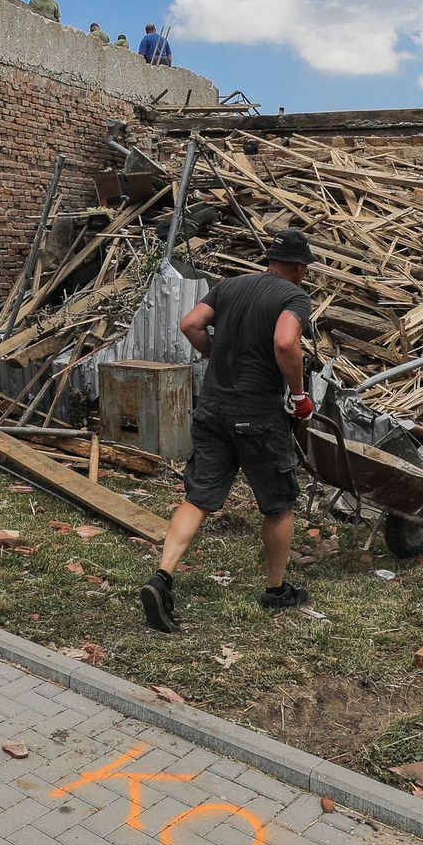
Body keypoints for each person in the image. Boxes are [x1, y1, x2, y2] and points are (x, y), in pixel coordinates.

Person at [141, 229, 316, 633]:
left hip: (213, 409)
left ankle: (162, 577)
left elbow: (190, 324)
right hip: (258, 414)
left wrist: (216, 354)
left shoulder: (229, 287)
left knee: (199, 496)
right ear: (297, 267)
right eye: (304, 268)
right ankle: (276, 590)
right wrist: (299, 394)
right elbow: (286, 342)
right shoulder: (293, 297)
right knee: (278, 503)